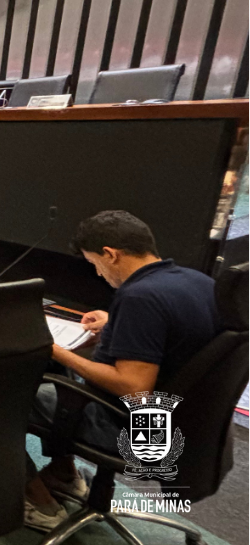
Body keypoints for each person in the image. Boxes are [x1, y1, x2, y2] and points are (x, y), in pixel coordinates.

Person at [23, 211, 220, 530]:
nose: (98, 273)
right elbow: (178, 337)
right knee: (63, 378)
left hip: (133, 428)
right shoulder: (198, 281)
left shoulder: (139, 296)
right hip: (189, 421)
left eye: (95, 264)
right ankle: (63, 474)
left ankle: (38, 502)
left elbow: (134, 388)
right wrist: (116, 325)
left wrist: (55, 350)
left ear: (110, 254)